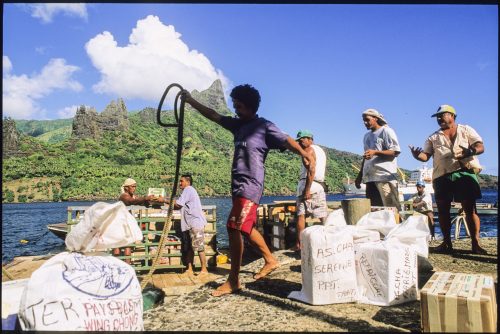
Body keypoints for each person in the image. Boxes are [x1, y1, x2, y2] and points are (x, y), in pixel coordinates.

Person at [181, 84, 312, 297]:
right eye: (234, 106)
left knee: (233, 227)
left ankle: (233, 280)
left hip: (251, 185)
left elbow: (286, 138)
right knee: (246, 227)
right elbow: (213, 115)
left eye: (239, 106)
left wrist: (302, 153)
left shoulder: (263, 126)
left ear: (250, 107)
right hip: (237, 185)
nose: (236, 110)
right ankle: (270, 260)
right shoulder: (237, 125)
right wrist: (190, 100)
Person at [409, 104, 487, 254]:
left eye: (442, 115)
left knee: (470, 209)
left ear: (453, 116)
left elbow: (480, 146)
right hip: (442, 176)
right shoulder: (433, 137)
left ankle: (475, 243)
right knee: (443, 211)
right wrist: (417, 155)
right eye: (437, 116)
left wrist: (470, 151)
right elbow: (425, 155)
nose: (439, 118)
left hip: (465, 172)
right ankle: (446, 242)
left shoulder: (466, 129)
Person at [355, 109, 402, 214]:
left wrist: (375, 152)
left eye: (367, 120)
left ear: (375, 118)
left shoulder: (386, 131)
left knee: (391, 208)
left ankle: (395, 228)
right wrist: (360, 176)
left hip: (384, 176)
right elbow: (366, 156)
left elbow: (395, 151)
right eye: (363, 120)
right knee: (374, 209)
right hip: (370, 178)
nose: (365, 123)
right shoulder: (366, 136)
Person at [166, 174, 209, 276]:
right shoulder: (186, 192)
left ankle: (204, 270)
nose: (180, 183)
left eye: (182, 181)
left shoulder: (188, 189)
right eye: (180, 181)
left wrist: (164, 200)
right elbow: (177, 206)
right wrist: (165, 202)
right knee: (189, 247)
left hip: (195, 223)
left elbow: (178, 204)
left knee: (199, 247)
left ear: (188, 182)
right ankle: (189, 269)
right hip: (189, 224)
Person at [294, 129, 328, 251]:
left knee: (301, 215)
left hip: (308, 184)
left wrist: (307, 190)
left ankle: (300, 245)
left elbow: (311, 170)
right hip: (319, 185)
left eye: (302, 139)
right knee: (323, 215)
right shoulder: (320, 150)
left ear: (310, 139)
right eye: (298, 141)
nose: (299, 142)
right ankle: (329, 241)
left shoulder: (308, 150)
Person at [117, 178, 162, 262]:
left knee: (127, 245)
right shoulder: (124, 196)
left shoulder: (132, 196)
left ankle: (127, 264)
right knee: (119, 245)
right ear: (126, 187)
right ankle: (121, 263)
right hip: (120, 223)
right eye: (132, 186)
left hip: (126, 223)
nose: (134, 188)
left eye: (135, 186)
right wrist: (145, 198)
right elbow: (131, 201)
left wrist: (153, 200)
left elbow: (138, 201)